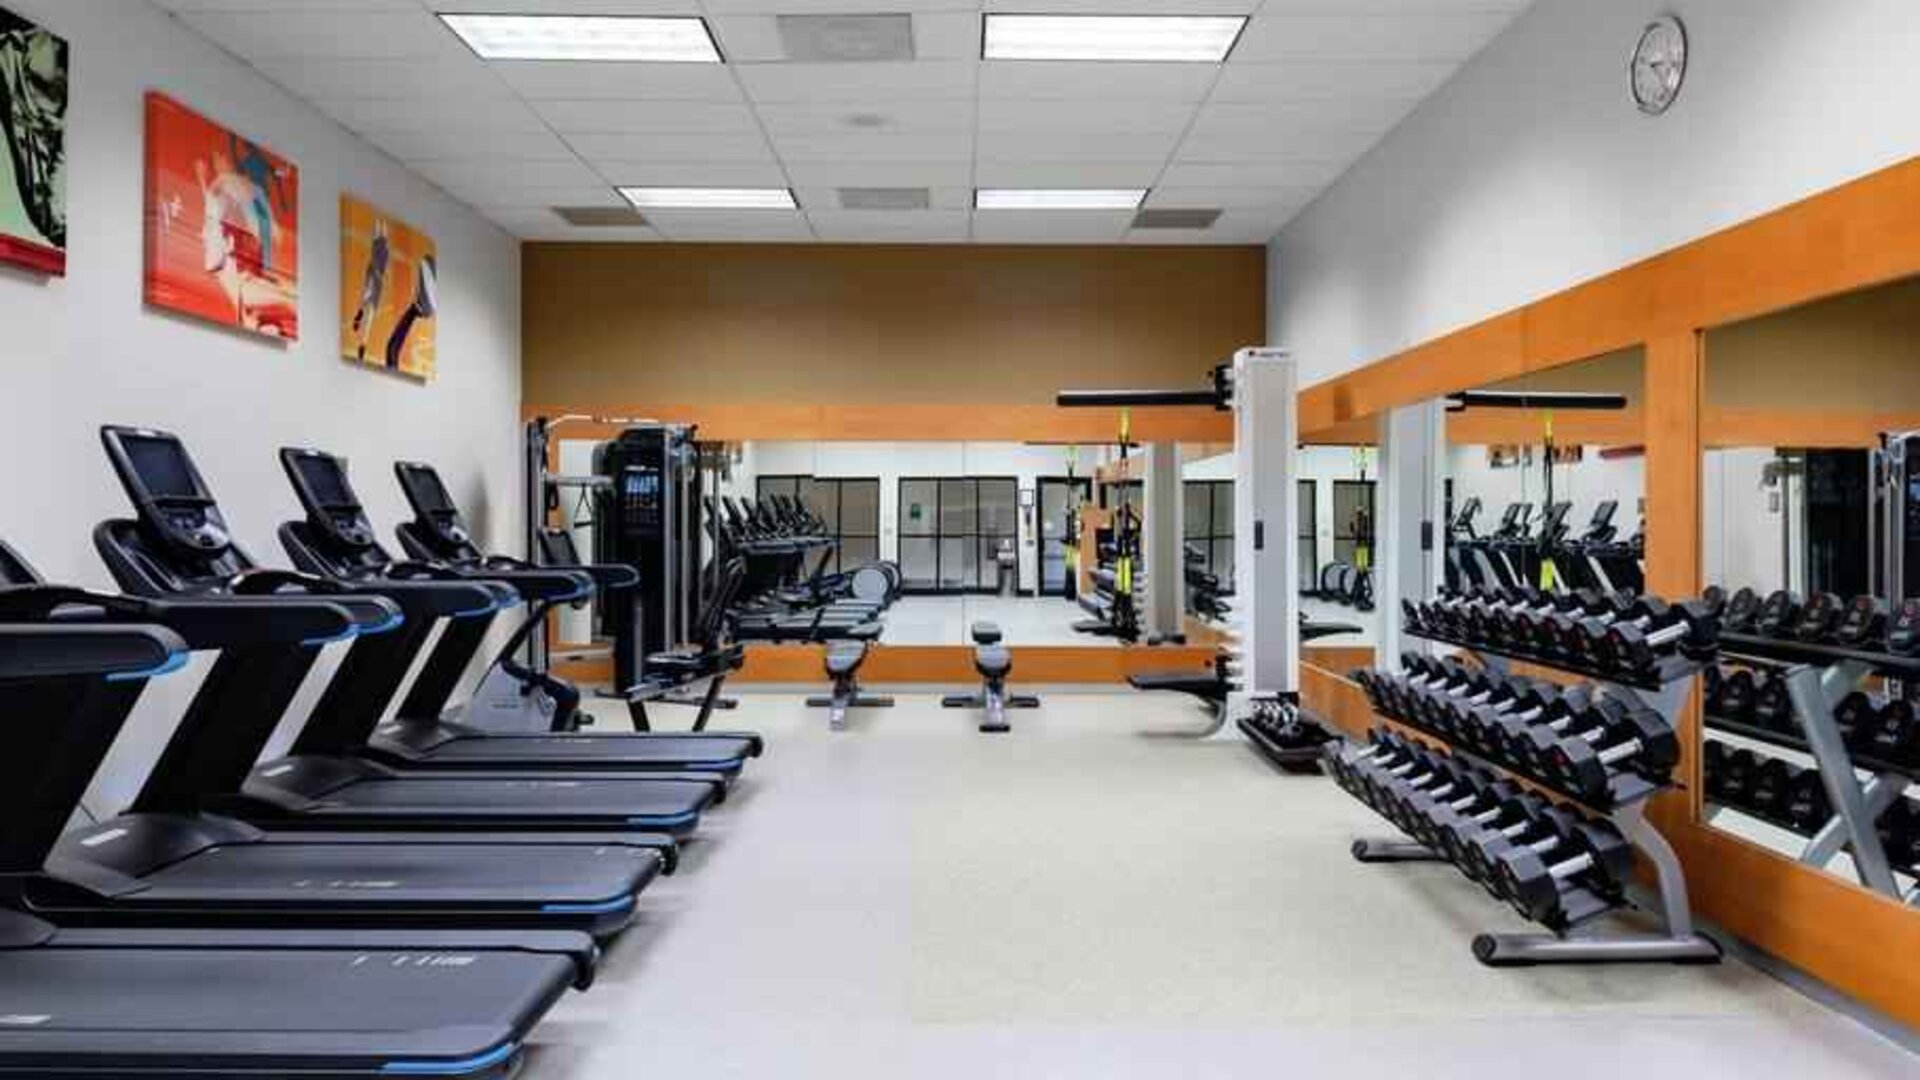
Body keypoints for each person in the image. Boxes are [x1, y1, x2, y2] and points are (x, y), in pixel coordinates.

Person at [352, 217, 391, 361]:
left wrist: (381, 275)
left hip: (377, 278)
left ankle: (362, 345)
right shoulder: (378, 247)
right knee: (365, 299)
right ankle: (359, 315)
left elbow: (383, 268)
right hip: (374, 274)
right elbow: (375, 263)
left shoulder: (384, 250)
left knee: (370, 312)